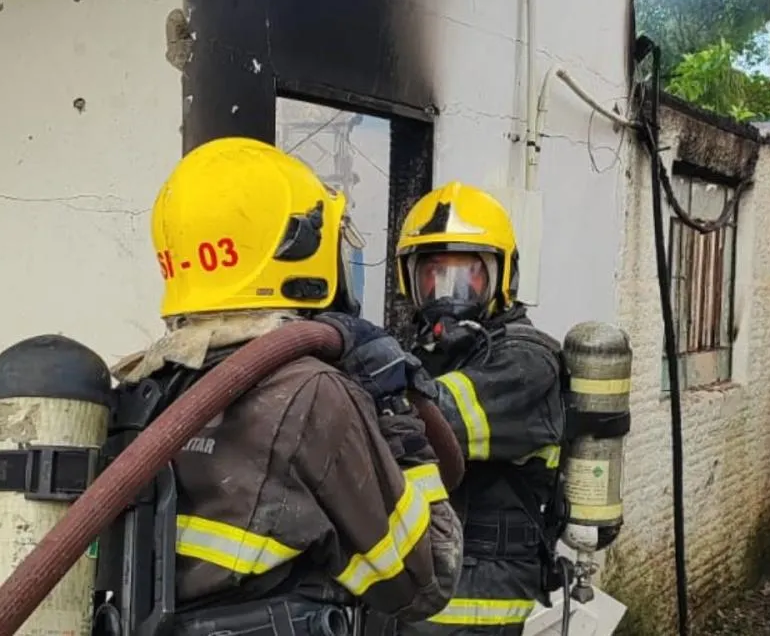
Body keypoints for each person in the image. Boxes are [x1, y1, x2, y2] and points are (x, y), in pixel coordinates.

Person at [108, 138, 464, 636]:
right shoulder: (309, 395)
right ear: (302, 249)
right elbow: (427, 580)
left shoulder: (148, 389)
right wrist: (394, 411)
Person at [384, 181, 567, 636]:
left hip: (481, 594)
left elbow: (434, 421)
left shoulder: (527, 361)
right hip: (425, 584)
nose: (447, 290)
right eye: (433, 273)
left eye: (468, 274)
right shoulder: (422, 355)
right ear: (412, 279)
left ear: (501, 278)